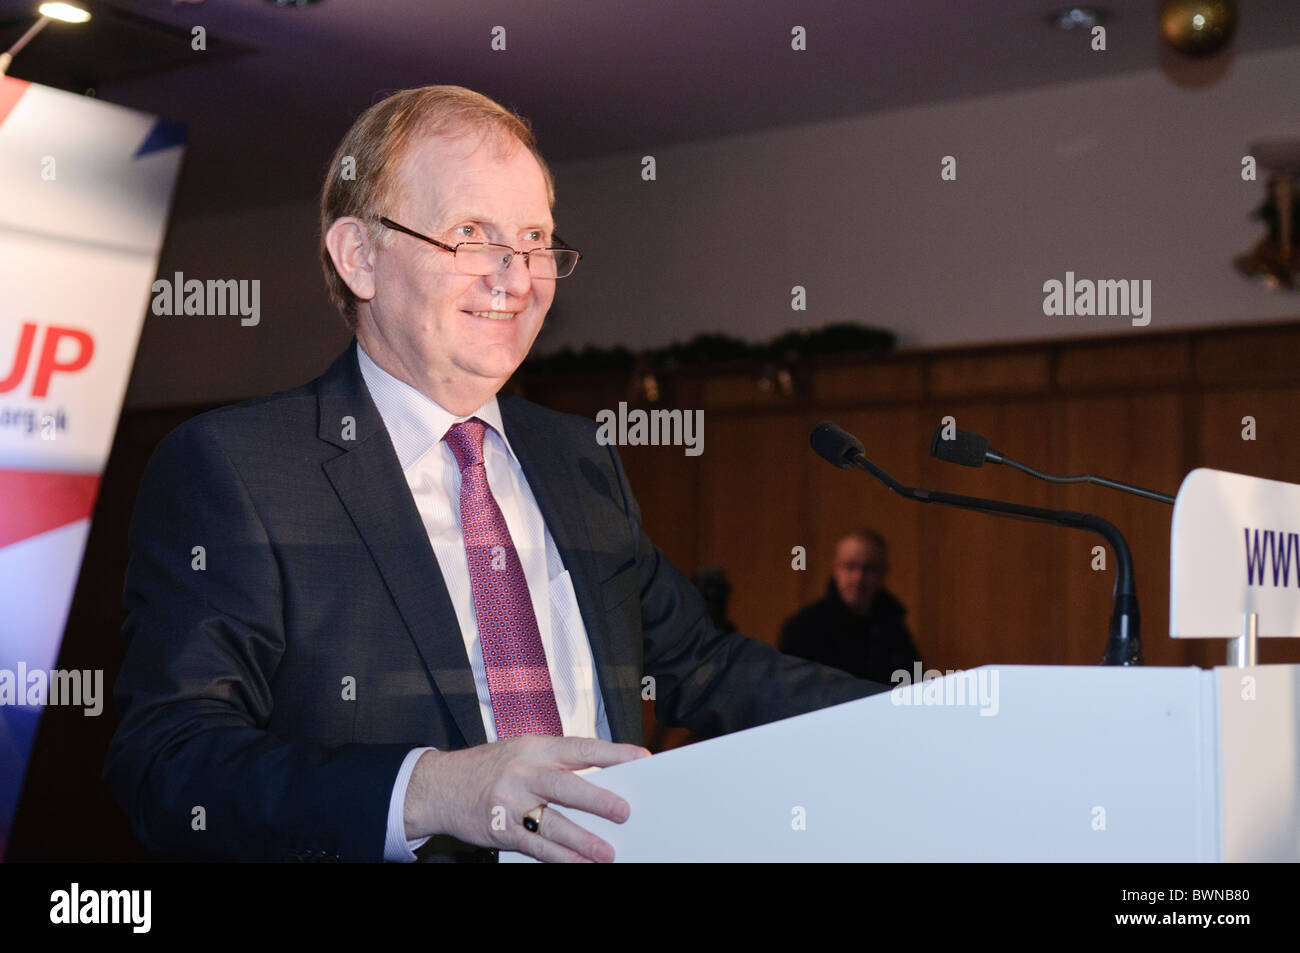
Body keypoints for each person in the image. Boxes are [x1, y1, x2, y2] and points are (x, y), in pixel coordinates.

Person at [104, 85, 885, 864]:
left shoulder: (578, 458)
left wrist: (925, 715)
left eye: (536, 238)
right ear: (361, 256)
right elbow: (170, 765)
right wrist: (433, 789)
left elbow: (704, 667)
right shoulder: (240, 469)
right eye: (471, 235)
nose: (515, 276)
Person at [779, 529, 921, 685]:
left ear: (883, 573)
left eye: (869, 569)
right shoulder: (804, 628)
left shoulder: (892, 627)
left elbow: (914, 686)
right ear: (835, 568)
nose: (858, 578)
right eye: (849, 566)